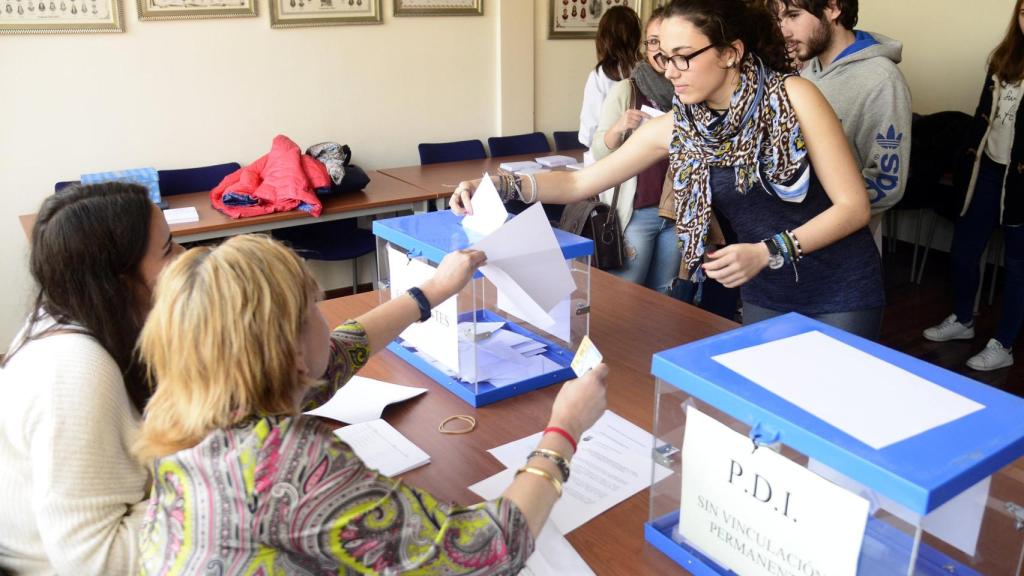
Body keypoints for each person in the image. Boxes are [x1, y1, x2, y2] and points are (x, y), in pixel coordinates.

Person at [133, 234, 608, 574]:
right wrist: (563, 430)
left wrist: (433, 292)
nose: (327, 321)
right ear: (293, 353)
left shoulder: (186, 408)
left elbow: (338, 352)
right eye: (313, 310)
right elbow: (485, 550)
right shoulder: (291, 468)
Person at [454, 0, 884, 339]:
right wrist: (499, 184)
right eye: (662, 58)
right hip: (764, 286)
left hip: (839, 287)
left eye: (684, 57)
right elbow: (580, 181)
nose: (670, 72)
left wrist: (767, 251)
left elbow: (853, 208)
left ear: (731, 52)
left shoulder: (794, 96)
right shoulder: (680, 125)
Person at [0, 183, 184, 575]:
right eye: (168, 249)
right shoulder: (75, 370)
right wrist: (221, 486)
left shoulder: (73, 315)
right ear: (118, 281)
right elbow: (98, 562)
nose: (185, 259)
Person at [922, 0, 1024, 371]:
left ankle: (1004, 344)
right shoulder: (1004, 58)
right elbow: (984, 116)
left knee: (1018, 267)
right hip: (988, 171)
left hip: (1021, 181)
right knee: (964, 251)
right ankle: (963, 320)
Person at [774, 0, 912, 252]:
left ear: (834, 8)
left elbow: (887, 182)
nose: (784, 30)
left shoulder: (882, 80)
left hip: (842, 246)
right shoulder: (806, 72)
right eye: (780, 19)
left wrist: (826, 216)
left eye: (794, 15)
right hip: (795, 233)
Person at [589, 6, 685, 296]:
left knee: (665, 298)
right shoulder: (627, 90)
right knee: (628, 297)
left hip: (677, 211)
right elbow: (598, 151)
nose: (658, 49)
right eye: (652, 41)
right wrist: (618, 128)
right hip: (638, 213)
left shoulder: (690, 90)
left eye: (665, 41)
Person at [578, 5, 643, 149]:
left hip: (609, 157)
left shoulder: (600, 75)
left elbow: (588, 134)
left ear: (603, 38)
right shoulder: (650, 70)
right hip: (645, 155)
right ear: (637, 36)